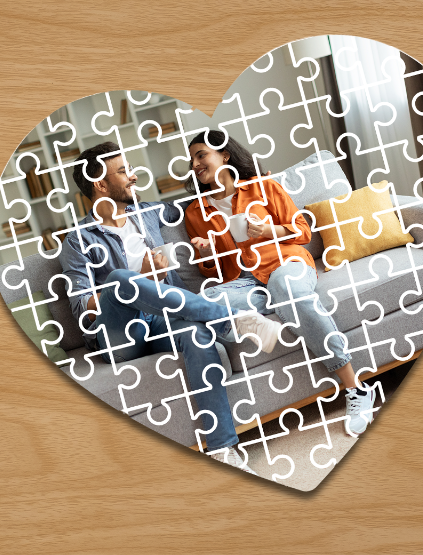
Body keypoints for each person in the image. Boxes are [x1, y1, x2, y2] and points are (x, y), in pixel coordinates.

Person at [60, 141, 283, 474]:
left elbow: (205, 199)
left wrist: (255, 185)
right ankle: (233, 320)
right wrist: (138, 279)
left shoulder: (150, 211)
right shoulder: (78, 239)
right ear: (100, 184)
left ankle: (221, 450)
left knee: (196, 335)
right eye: (123, 171)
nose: (133, 177)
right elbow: (82, 307)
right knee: (122, 278)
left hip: (165, 318)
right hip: (122, 335)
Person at [184, 131, 383, 437]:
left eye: (201, 155)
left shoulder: (263, 186)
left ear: (224, 156)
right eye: (192, 159)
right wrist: (207, 255)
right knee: (204, 299)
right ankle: (252, 322)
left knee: (286, 290)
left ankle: (356, 389)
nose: (195, 163)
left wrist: (267, 231)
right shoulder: (195, 211)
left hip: (285, 264)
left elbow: (302, 231)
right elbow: (215, 273)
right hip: (243, 282)